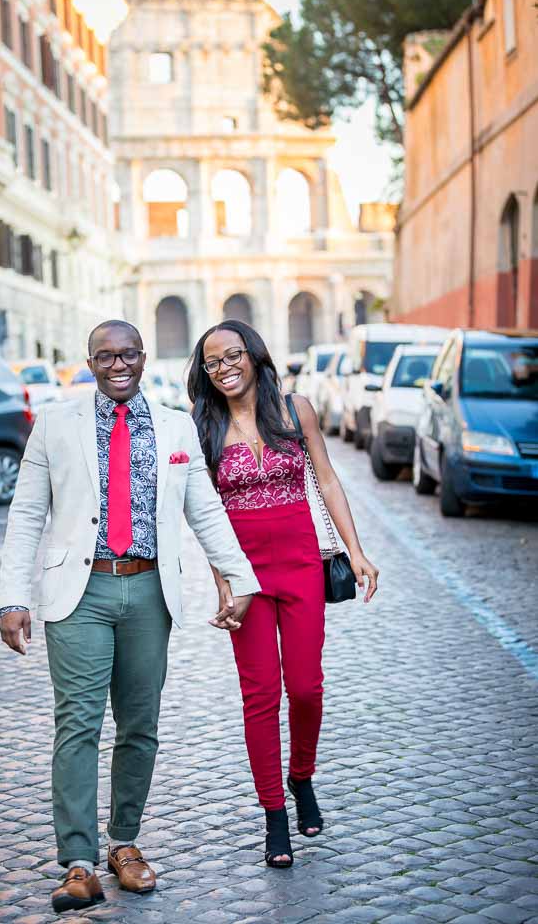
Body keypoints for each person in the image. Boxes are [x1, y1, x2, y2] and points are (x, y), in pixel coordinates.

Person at [0, 320, 261, 912]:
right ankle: (79, 863)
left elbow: (207, 510)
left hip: (149, 593)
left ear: (144, 359)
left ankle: (125, 844)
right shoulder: (55, 424)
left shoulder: (175, 426)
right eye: (105, 356)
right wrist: (13, 597)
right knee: (78, 725)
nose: (118, 365)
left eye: (128, 355)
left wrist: (241, 578)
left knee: (140, 726)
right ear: (90, 362)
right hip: (79, 592)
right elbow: (25, 515)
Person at [187, 319, 379, 868]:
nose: (224, 368)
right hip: (246, 575)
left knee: (306, 686)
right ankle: (274, 814)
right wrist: (224, 584)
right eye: (212, 363)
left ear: (254, 355)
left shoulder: (296, 410)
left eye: (232, 356)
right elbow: (206, 514)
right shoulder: (204, 425)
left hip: (300, 568)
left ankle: (302, 776)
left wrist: (356, 550)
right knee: (260, 697)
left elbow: (328, 479)